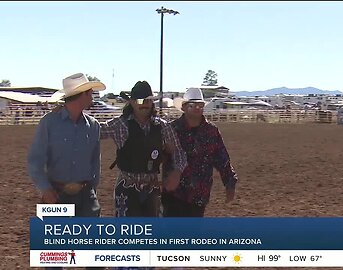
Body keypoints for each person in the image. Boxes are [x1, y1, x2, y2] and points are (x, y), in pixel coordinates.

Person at [27, 73, 105, 270]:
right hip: (56, 193)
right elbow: (35, 160)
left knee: (94, 255)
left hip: (86, 195)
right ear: (82, 95)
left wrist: (91, 189)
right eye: (90, 92)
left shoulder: (93, 126)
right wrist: (45, 189)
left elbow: (95, 161)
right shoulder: (49, 123)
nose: (93, 96)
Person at [100, 81, 187, 218]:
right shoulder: (120, 124)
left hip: (152, 188)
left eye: (148, 100)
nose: (144, 104)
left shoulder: (163, 126)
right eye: (140, 100)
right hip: (127, 187)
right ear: (132, 102)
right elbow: (94, 131)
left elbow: (178, 152)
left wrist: (177, 171)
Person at [162, 87, 238, 217]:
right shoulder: (171, 129)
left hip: (199, 196)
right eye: (193, 105)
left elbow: (222, 159)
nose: (197, 108)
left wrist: (230, 183)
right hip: (174, 194)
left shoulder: (211, 131)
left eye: (200, 105)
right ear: (184, 107)